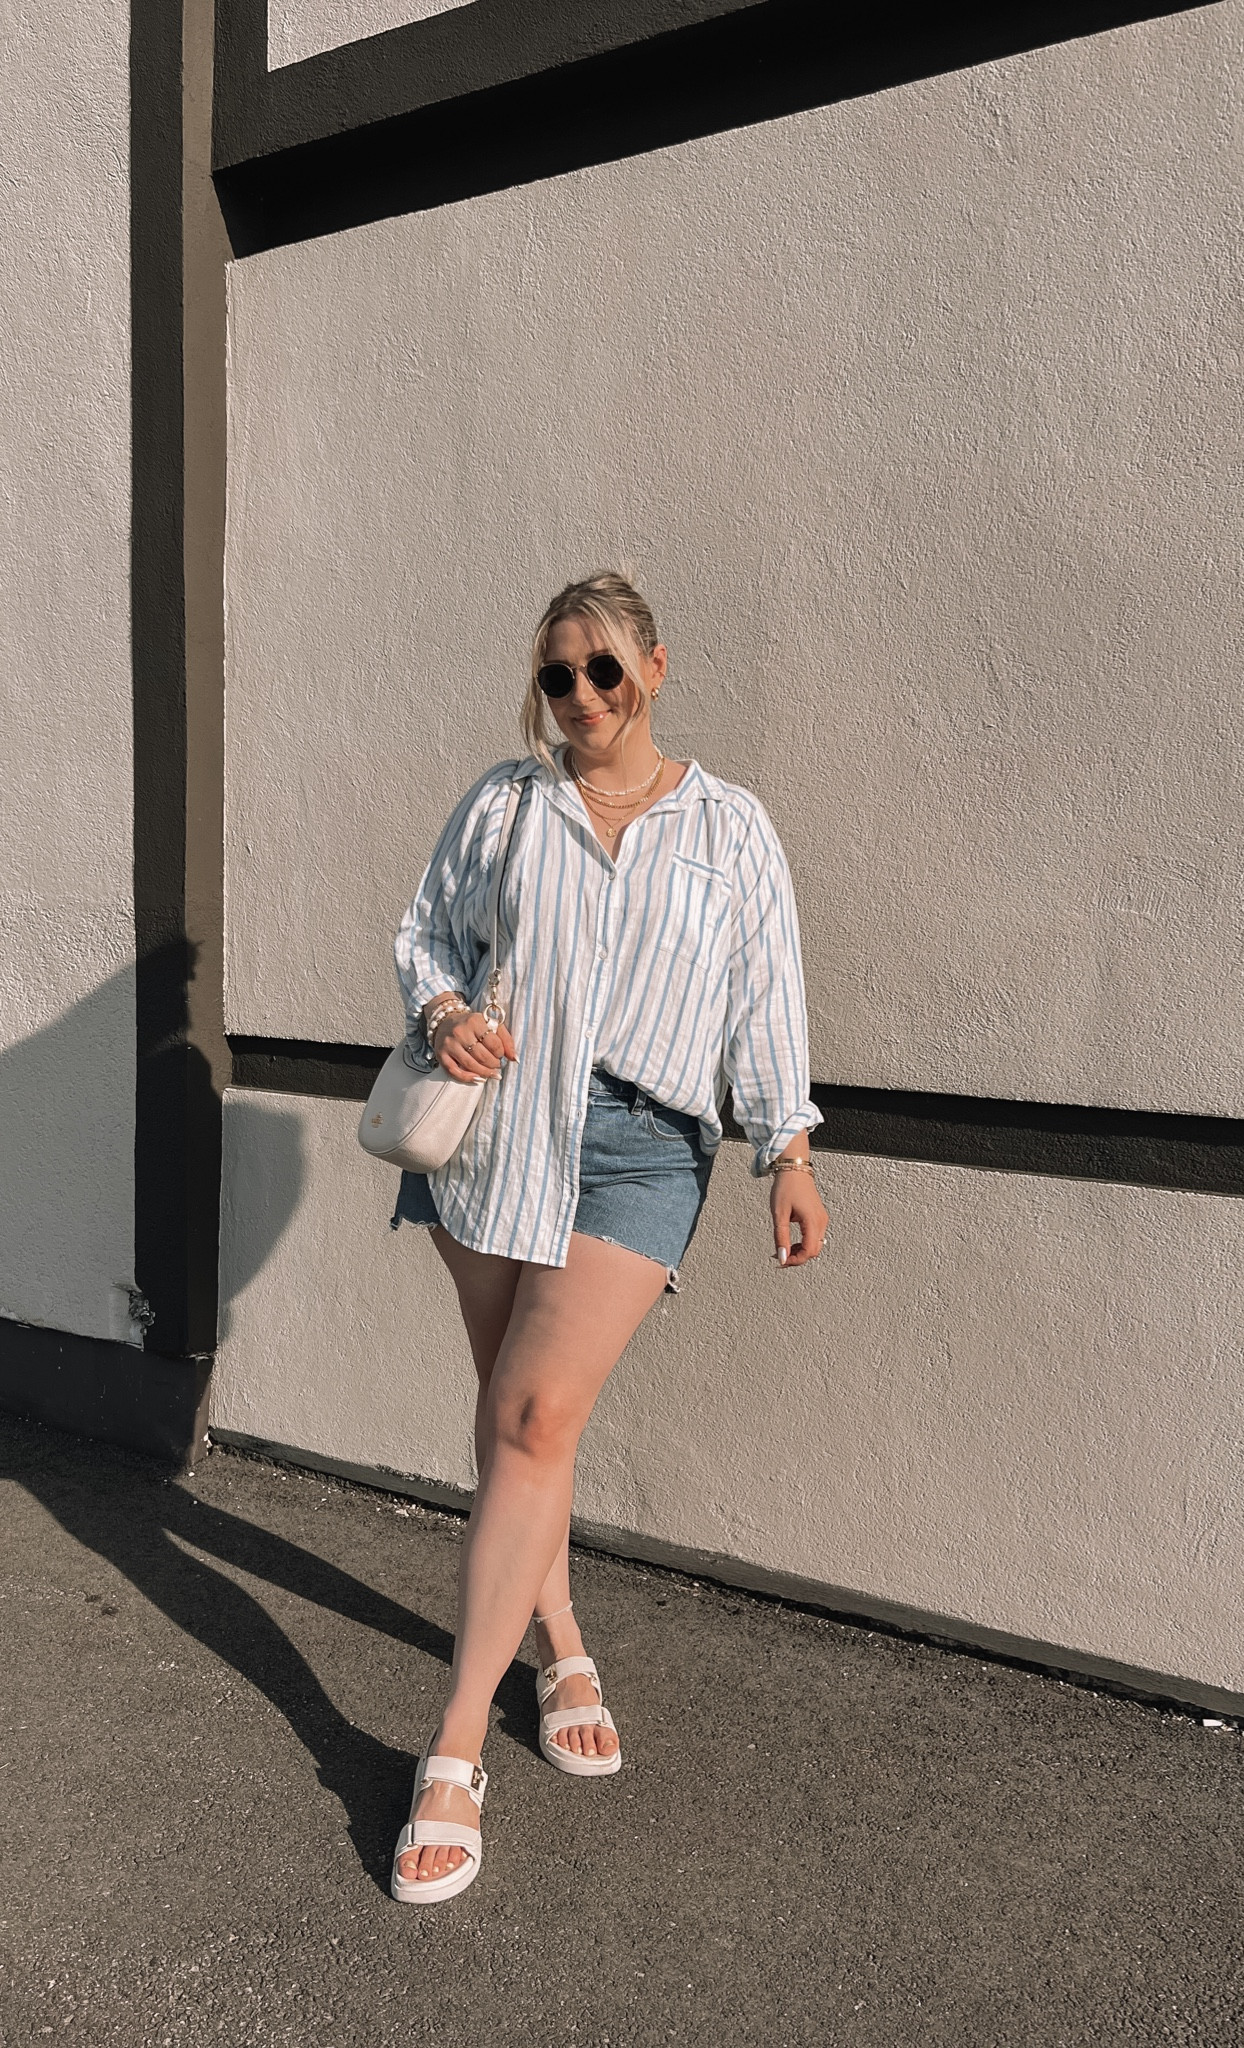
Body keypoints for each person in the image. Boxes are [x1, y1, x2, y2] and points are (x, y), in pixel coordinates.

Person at [385, 572, 828, 1903]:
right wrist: (445, 1009)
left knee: (529, 1416)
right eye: (555, 675)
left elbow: (765, 994)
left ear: (654, 668)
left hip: (643, 1150)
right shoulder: (508, 805)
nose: (578, 696)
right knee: (523, 1423)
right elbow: (423, 939)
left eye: (602, 671)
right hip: (501, 1129)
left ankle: (453, 1754)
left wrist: (786, 1151)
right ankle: (560, 1636)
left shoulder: (730, 827)